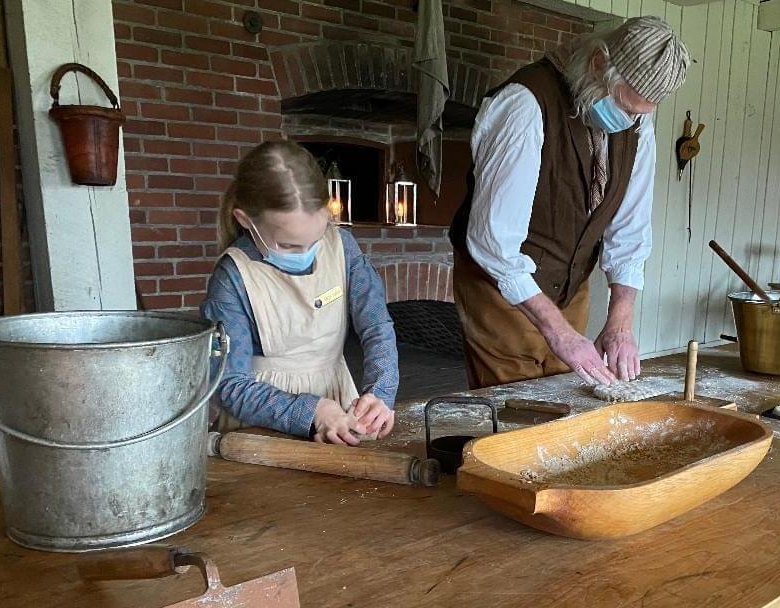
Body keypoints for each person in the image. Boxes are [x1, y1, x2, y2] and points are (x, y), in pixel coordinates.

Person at [449, 16, 689, 389]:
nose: (630, 121)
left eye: (641, 112)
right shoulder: (525, 105)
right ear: (597, 64)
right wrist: (559, 333)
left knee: (568, 403)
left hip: (570, 285)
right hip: (500, 288)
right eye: (625, 107)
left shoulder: (637, 121)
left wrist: (619, 322)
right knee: (515, 413)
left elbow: (629, 228)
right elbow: (493, 244)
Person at [202, 140, 398, 445]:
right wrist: (310, 411)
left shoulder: (343, 248)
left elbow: (377, 326)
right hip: (260, 425)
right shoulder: (233, 278)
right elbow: (228, 384)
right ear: (245, 220)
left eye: (316, 238)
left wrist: (380, 392)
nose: (305, 253)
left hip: (340, 404)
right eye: (289, 246)